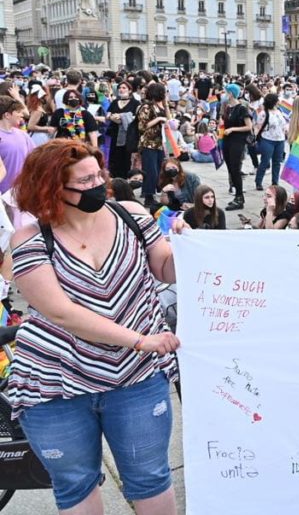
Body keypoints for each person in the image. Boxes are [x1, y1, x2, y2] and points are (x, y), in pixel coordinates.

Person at [9, 139, 181, 514]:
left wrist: (186, 245)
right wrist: (139, 340)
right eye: (85, 181)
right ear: (52, 188)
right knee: (75, 484)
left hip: (136, 378)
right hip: (56, 383)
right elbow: (62, 313)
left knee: (150, 478)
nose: (97, 185)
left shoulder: (131, 215)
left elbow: (165, 268)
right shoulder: (31, 238)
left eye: (98, 175)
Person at [135, 83, 171, 209]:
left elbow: (169, 119)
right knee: (150, 171)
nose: (165, 94)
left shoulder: (159, 106)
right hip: (148, 143)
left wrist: (166, 105)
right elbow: (142, 126)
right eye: (163, 92)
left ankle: (155, 192)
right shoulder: (146, 107)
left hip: (160, 143)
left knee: (159, 170)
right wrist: (158, 119)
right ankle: (149, 197)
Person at [220, 84, 252, 211]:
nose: (224, 94)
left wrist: (233, 129)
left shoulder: (241, 108)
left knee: (235, 168)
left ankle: (239, 197)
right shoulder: (228, 108)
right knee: (230, 169)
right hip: (227, 140)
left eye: (226, 92)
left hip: (237, 141)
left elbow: (249, 126)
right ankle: (237, 195)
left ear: (231, 94)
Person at [106, 81, 141, 179]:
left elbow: (136, 118)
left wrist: (121, 116)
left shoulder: (135, 103)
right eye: (120, 88)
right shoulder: (114, 102)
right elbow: (108, 115)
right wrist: (114, 118)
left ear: (130, 90)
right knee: (114, 157)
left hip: (128, 135)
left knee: (126, 157)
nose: (121, 90)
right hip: (115, 133)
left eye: (124, 88)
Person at [0, 96, 34, 194]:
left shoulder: (22, 134)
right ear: (7, 115)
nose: (22, 115)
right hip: (3, 194)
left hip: (22, 191)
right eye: (18, 112)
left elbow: (35, 157)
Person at [254, 92, 288, 190]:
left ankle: (275, 182)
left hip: (280, 140)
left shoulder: (279, 111)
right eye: (277, 100)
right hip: (267, 139)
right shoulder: (263, 113)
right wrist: (255, 137)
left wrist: (286, 131)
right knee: (265, 161)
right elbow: (258, 126)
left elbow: (283, 124)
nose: (278, 102)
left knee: (277, 162)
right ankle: (258, 181)